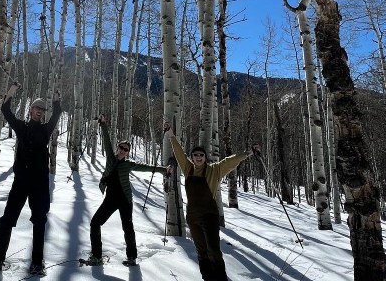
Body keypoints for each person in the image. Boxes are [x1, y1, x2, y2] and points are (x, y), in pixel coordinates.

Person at [165, 124, 261, 281]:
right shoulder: (187, 168)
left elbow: (231, 161)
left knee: (214, 250)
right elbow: (178, 152)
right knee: (201, 251)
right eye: (195, 155)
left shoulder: (214, 170)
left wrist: (249, 152)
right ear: (192, 157)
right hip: (193, 217)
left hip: (209, 216)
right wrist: (171, 134)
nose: (198, 157)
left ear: (205, 157)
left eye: (201, 155)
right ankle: (208, 278)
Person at [0, 83, 62, 275]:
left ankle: (37, 263)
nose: (40, 112)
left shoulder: (45, 130)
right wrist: (10, 92)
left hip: (40, 184)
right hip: (20, 182)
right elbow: (5, 110)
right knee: (7, 219)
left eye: (42, 110)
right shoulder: (21, 126)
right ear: (31, 110)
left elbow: (57, 114)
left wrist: (57, 99)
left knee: (39, 221)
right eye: (37, 108)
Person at [85, 115, 167, 266]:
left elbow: (146, 167)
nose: (123, 151)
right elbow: (106, 140)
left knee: (128, 228)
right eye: (121, 148)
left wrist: (163, 170)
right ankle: (97, 256)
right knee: (95, 223)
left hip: (125, 200)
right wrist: (103, 124)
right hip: (110, 199)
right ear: (117, 148)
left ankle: (132, 257)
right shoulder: (110, 157)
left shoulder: (128, 164)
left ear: (128, 152)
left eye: (126, 150)